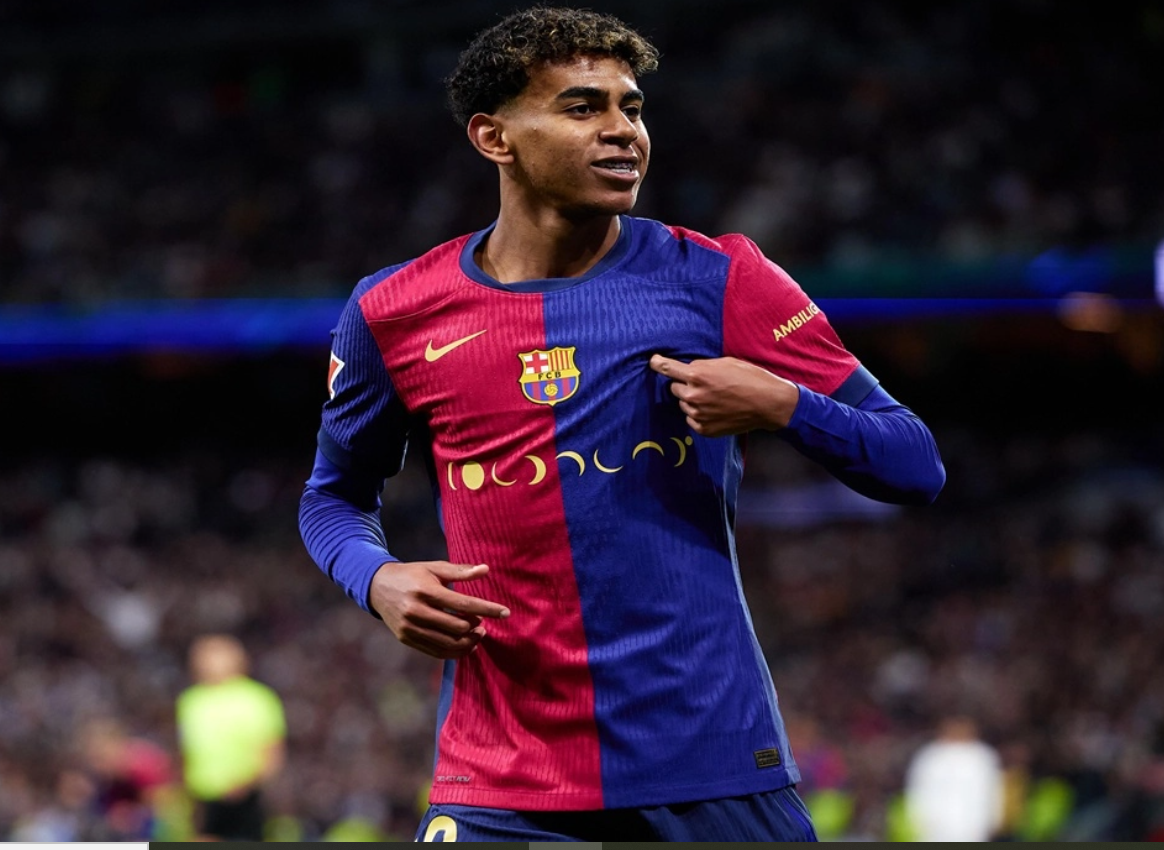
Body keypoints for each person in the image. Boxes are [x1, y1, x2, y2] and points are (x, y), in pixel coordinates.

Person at [299, 6, 945, 842]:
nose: (623, 131)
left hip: (713, 768)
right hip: (502, 783)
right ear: (494, 138)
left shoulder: (720, 278)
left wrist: (783, 404)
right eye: (582, 107)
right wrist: (376, 577)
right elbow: (333, 498)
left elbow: (914, 463)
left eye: (631, 108)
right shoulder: (393, 311)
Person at [175, 633, 287, 841]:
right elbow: (186, 751)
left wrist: (247, 784)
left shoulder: (257, 698)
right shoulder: (190, 701)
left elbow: (271, 752)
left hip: (245, 796)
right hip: (203, 797)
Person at [903, 715, 1005, 842]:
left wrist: (993, 820)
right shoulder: (930, 756)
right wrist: (916, 820)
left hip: (973, 827)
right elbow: (917, 790)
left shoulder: (983, 755)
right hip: (934, 829)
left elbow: (992, 791)